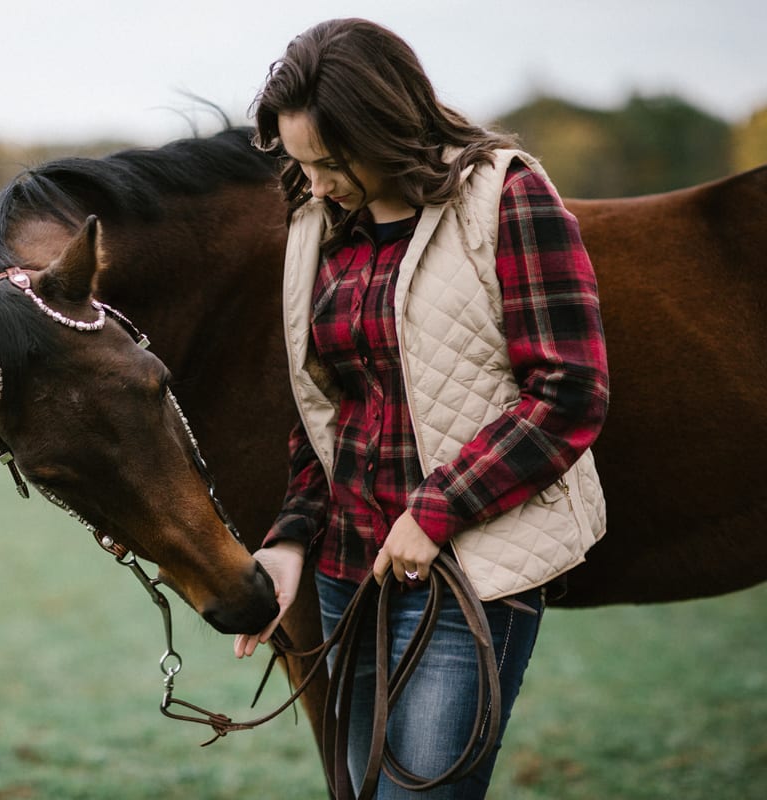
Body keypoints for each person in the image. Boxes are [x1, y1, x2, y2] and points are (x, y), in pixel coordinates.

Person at [232, 18, 609, 799]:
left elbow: (570, 393)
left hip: (466, 575)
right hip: (346, 578)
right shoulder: (317, 222)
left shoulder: (505, 195)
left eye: (331, 163)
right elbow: (324, 405)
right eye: (302, 163)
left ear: (386, 128)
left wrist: (438, 510)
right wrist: (291, 540)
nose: (317, 182)